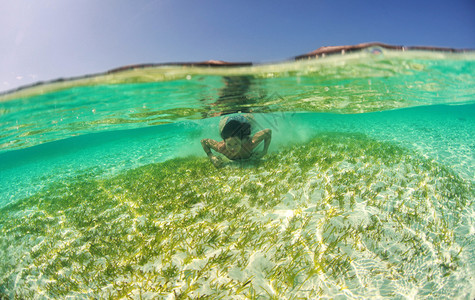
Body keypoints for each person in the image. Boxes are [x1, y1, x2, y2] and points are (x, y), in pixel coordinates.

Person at [201, 114, 272, 168]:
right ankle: (225, 118)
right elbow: (203, 141)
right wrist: (211, 157)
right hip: (228, 125)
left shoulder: (249, 144)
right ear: (224, 142)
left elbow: (268, 132)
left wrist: (264, 151)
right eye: (229, 144)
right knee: (222, 128)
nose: (232, 149)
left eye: (236, 144)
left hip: (244, 121)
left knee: (251, 121)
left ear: (241, 141)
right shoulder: (221, 147)